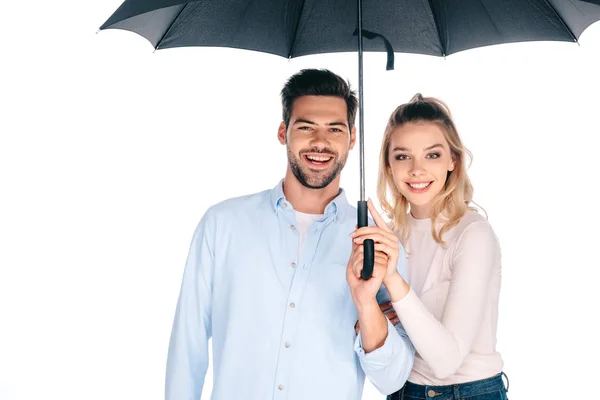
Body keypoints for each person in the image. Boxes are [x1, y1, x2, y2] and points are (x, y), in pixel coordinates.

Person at [164, 68, 415, 400]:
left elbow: (393, 379)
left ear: (352, 138)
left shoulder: (379, 243)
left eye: (335, 129)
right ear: (283, 132)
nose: (320, 142)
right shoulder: (223, 224)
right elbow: (188, 346)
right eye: (306, 127)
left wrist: (366, 304)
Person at [350, 94, 508, 399]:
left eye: (432, 155)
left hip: (466, 393)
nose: (417, 170)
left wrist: (394, 282)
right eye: (403, 156)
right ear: (389, 165)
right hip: (403, 392)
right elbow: (387, 354)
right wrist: (369, 314)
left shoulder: (473, 235)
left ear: (453, 160)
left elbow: (446, 362)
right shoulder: (390, 238)